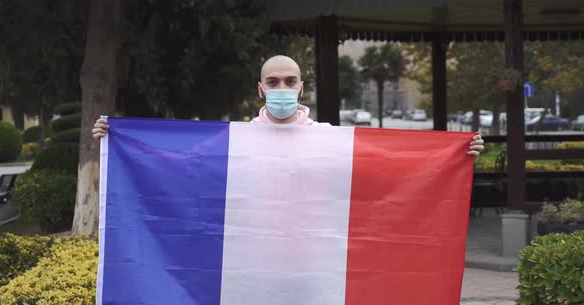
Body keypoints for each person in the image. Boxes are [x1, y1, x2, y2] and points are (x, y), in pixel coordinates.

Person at [92, 55, 484, 156]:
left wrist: (456, 151)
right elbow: (178, 160)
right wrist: (119, 141)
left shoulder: (329, 139)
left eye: (290, 81)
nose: (282, 87)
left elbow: (391, 160)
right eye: (274, 82)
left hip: (313, 265)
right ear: (260, 90)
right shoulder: (236, 141)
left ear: (301, 88)